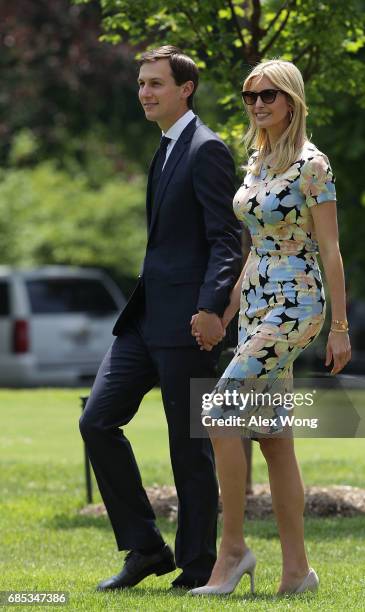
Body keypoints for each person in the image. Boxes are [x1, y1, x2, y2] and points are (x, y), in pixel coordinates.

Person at [79, 45, 242, 591]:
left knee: (188, 447)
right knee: (97, 421)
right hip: (144, 320)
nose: (145, 92)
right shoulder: (165, 148)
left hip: (189, 324)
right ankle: (146, 548)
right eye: (142, 83)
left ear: (185, 88)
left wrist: (209, 307)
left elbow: (226, 239)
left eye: (156, 83)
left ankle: (198, 566)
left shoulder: (208, 148)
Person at [190, 59, 351, 596]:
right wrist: (226, 314)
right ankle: (297, 572)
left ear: (291, 101)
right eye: (249, 95)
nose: (257, 104)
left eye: (269, 95)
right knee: (275, 440)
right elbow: (254, 249)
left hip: (298, 305)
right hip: (258, 301)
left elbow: (331, 250)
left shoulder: (313, 165)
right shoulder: (256, 161)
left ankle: (232, 550)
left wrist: (339, 326)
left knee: (217, 407)